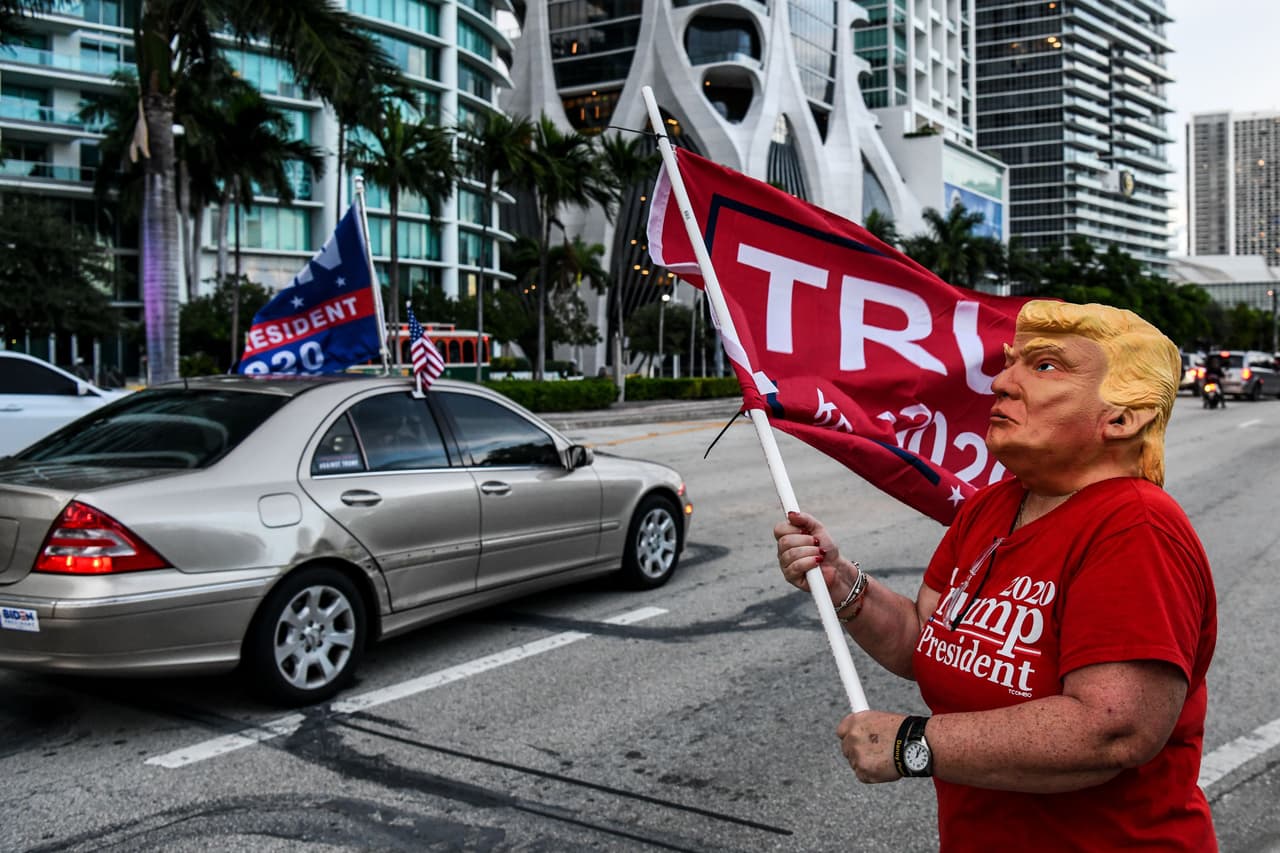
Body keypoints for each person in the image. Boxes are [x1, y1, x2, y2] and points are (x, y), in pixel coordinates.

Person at [775, 300, 1217, 851]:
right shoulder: (991, 506)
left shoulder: (1136, 527)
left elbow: (1112, 729)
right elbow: (926, 640)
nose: (1001, 383)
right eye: (1010, 363)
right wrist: (841, 580)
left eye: (1045, 366)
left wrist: (912, 742)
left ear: (1122, 418)